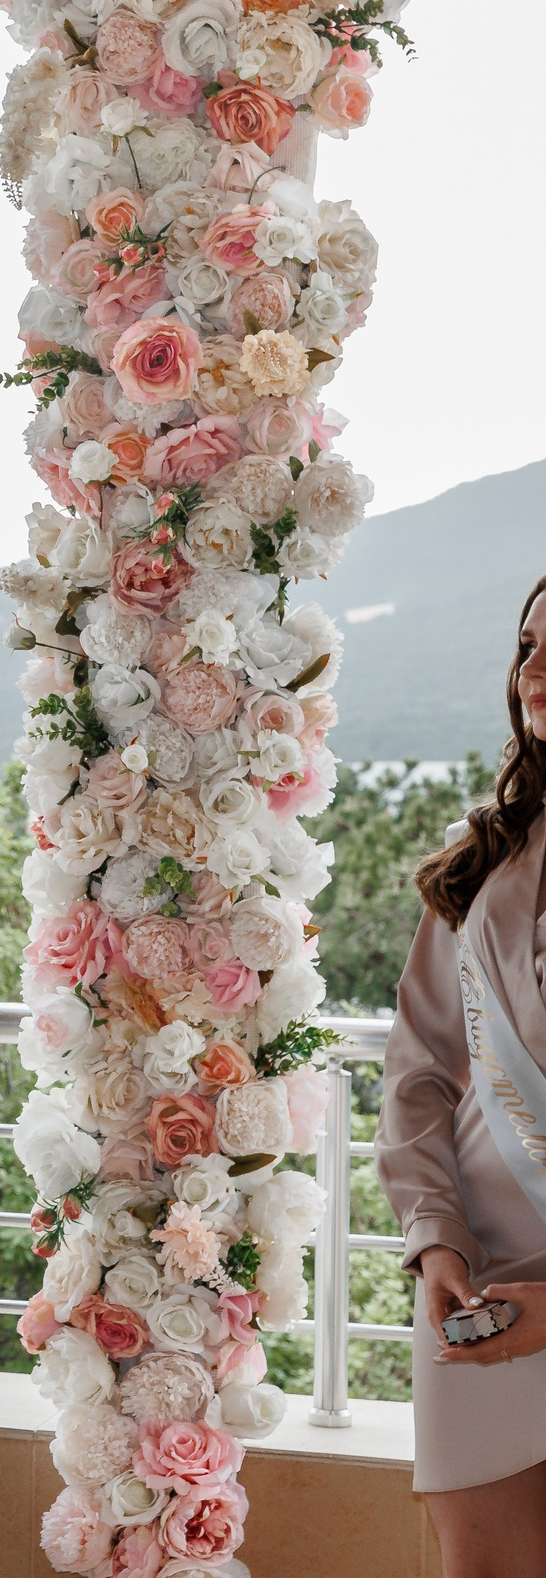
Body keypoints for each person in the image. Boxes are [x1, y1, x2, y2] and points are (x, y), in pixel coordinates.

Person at [379, 576, 546, 1575]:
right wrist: (434, 1240)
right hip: (479, 1278)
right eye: (527, 647)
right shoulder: (487, 861)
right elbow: (420, 1069)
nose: (535, 671)